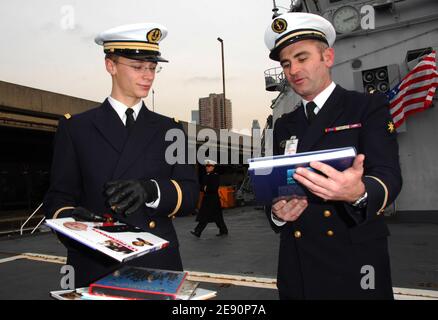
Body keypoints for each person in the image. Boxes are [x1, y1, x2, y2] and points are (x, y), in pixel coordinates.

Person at [43, 23, 198, 287]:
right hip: (95, 262)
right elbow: (59, 195)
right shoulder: (76, 127)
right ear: (110, 65)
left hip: (157, 262)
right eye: (138, 67)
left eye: (152, 67)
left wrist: (152, 190)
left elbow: (190, 194)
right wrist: (71, 219)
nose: (148, 75)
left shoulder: (171, 129)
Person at [264, 12, 402, 299]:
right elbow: (278, 186)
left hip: (353, 254)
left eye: (302, 58)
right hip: (298, 258)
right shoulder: (284, 124)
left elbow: (388, 174)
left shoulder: (367, 107)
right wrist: (277, 213)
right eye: (286, 64)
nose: (293, 70)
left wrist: (359, 192)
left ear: (327, 57)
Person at [191, 160, 228, 237]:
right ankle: (223, 230)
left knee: (205, 216)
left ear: (213, 167)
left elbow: (213, 188)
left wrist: (205, 188)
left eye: (209, 166)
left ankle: (198, 232)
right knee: (217, 217)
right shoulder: (206, 175)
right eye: (206, 166)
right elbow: (202, 187)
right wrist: (205, 188)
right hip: (208, 199)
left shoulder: (215, 175)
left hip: (213, 200)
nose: (206, 167)